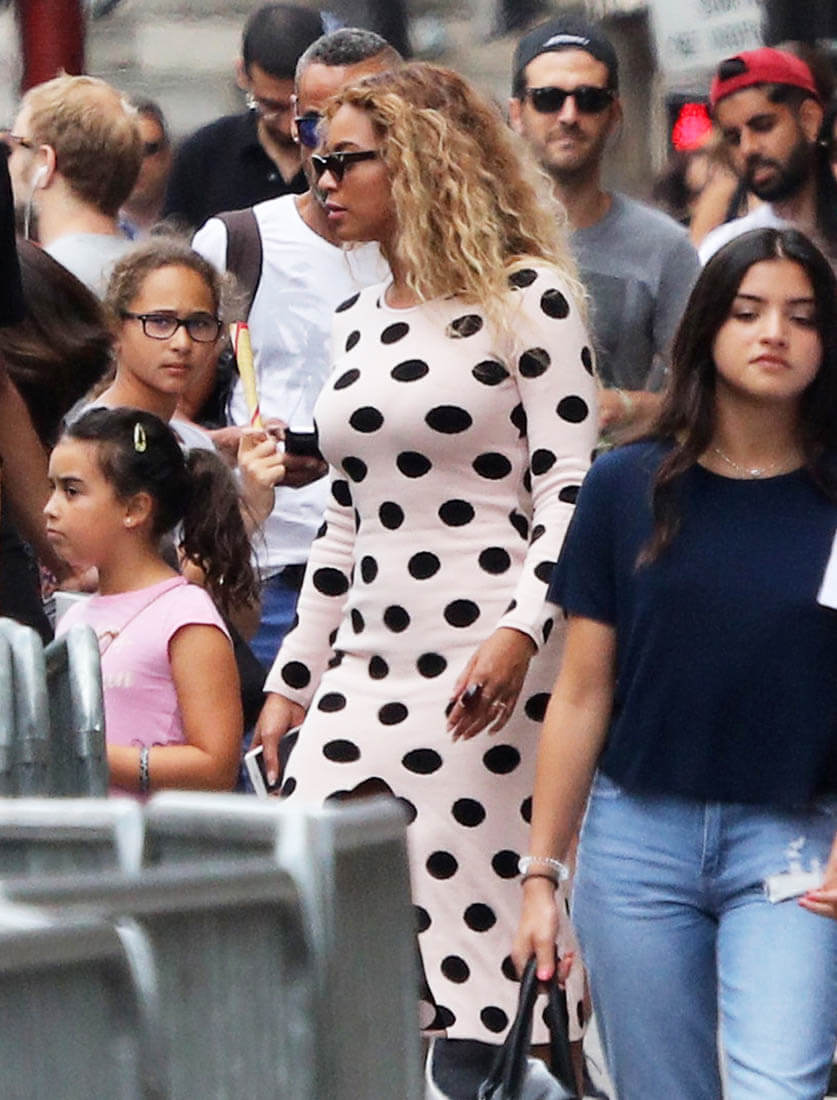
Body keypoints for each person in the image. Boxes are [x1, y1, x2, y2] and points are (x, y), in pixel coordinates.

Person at [254, 62, 598, 1092]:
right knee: (322, 898)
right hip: (367, 664)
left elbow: (570, 487)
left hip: (486, 663)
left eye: (346, 161)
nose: (323, 180)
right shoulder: (358, 317)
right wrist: (294, 679)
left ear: (420, 163)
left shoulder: (528, 297)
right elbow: (345, 519)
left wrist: (521, 630)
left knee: (488, 948)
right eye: (318, 161)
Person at [512, 227, 837, 1099]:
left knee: (780, 1087)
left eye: (802, 316)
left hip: (795, 836)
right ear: (705, 329)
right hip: (635, 842)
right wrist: (541, 874)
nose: (773, 333)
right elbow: (581, 694)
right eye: (747, 311)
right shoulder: (625, 485)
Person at [193, 26, 399, 668]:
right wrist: (229, 447)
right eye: (313, 126)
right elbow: (162, 413)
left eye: (362, 125)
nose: (330, 150)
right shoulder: (238, 243)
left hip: (402, 572)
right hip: (273, 568)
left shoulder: (446, 259)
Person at [508, 14, 699, 441]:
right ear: (517, 113)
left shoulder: (665, 247)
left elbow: (701, 396)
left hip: (615, 471)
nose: (569, 115)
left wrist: (625, 406)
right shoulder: (474, 239)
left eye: (589, 99)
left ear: (615, 113)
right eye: (548, 99)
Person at [50, 407, 249, 796]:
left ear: (135, 509)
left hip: (151, 835)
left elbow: (217, 767)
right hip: (85, 831)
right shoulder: (74, 617)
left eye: (72, 491)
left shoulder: (185, 615)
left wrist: (89, 756)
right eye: (52, 488)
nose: (50, 508)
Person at [163, 3, 324, 230]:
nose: (290, 127)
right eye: (272, 106)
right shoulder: (203, 157)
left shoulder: (345, 160)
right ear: (242, 74)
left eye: (303, 108)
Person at [2, 75, 141, 295]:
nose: (10, 160)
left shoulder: (30, 285)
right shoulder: (158, 274)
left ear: (45, 162)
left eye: (16, 144)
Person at [700, 48, 836, 263]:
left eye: (763, 126)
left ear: (809, 120)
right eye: (734, 138)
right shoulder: (723, 251)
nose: (748, 148)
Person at [120, 99, 172, 239]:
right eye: (123, 150)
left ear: (168, 154)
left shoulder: (197, 219)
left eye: (148, 149)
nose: (136, 162)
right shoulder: (86, 228)